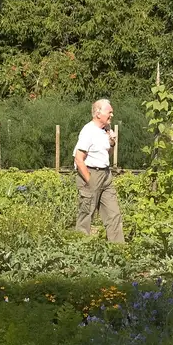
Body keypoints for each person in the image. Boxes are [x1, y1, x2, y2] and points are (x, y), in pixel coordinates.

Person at [73, 99, 124, 243]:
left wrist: (112, 142)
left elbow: (105, 154)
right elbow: (78, 158)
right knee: (86, 215)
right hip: (91, 173)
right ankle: (80, 250)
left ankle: (118, 250)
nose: (112, 115)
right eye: (109, 112)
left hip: (105, 175)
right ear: (98, 113)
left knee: (114, 214)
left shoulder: (105, 131)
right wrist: (90, 180)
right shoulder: (88, 131)